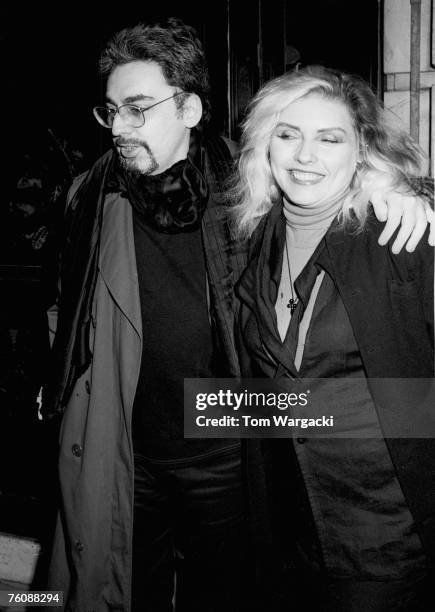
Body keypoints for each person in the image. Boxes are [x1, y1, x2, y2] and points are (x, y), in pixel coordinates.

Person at [43, 19, 432, 612]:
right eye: (111, 110)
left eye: (139, 108)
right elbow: (69, 308)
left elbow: (331, 183)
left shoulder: (238, 197)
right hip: (132, 447)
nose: (119, 127)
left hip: (237, 450)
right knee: (118, 587)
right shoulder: (92, 197)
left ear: (192, 109)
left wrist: (409, 192)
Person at [232, 65, 434, 611]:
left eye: (329, 138)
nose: (304, 156)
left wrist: (418, 193)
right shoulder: (252, 241)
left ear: (360, 152)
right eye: (288, 134)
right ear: (264, 147)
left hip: (386, 534)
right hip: (288, 530)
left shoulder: (401, 237)